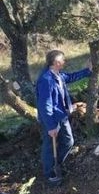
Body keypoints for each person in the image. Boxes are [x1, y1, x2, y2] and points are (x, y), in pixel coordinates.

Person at [36, 50, 92, 186]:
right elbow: (45, 105)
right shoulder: (46, 80)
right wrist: (50, 126)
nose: (65, 62)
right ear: (56, 62)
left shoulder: (58, 75)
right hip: (52, 118)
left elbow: (71, 77)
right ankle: (50, 174)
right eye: (63, 60)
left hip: (62, 115)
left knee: (68, 141)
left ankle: (57, 165)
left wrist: (88, 71)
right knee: (49, 146)